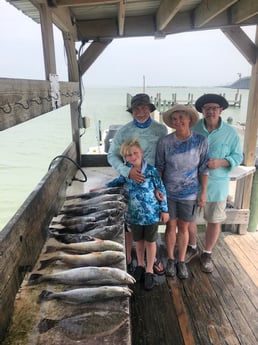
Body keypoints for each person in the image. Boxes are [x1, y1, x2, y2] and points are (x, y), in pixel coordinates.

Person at [107, 93, 168, 275]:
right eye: (136, 109)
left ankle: (152, 259)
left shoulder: (161, 130)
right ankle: (130, 257)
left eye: (144, 108)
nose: (140, 112)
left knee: (150, 225)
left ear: (150, 109)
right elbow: (112, 155)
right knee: (130, 224)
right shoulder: (124, 131)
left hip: (152, 185)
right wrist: (128, 172)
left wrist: (159, 185)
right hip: (131, 184)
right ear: (131, 111)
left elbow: (163, 157)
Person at [187, 94, 243, 273]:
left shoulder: (231, 132)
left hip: (218, 187)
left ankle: (208, 253)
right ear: (202, 111)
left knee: (214, 220)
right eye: (207, 108)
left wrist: (221, 162)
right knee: (190, 220)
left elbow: (238, 156)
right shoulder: (193, 129)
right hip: (192, 184)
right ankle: (192, 246)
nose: (210, 111)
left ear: (221, 110)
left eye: (214, 108)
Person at [104, 138, 169, 290]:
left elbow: (162, 189)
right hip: (133, 215)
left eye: (135, 153)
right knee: (138, 242)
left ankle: (149, 270)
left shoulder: (151, 171)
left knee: (151, 242)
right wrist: (101, 188)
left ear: (141, 152)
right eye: (128, 155)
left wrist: (164, 209)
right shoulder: (127, 172)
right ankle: (140, 264)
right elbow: (116, 182)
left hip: (151, 215)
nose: (132, 157)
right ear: (124, 158)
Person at [155, 104, 209, 279]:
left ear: (189, 119)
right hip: (168, 193)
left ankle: (181, 260)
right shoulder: (164, 142)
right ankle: (170, 259)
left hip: (190, 194)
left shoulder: (201, 141)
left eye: (181, 117)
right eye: (174, 119)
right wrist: (158, 190)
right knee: (170, 226)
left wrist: (203, 193)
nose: (178, 121)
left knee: (184, 228)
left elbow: (203, 169)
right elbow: (160, 168)